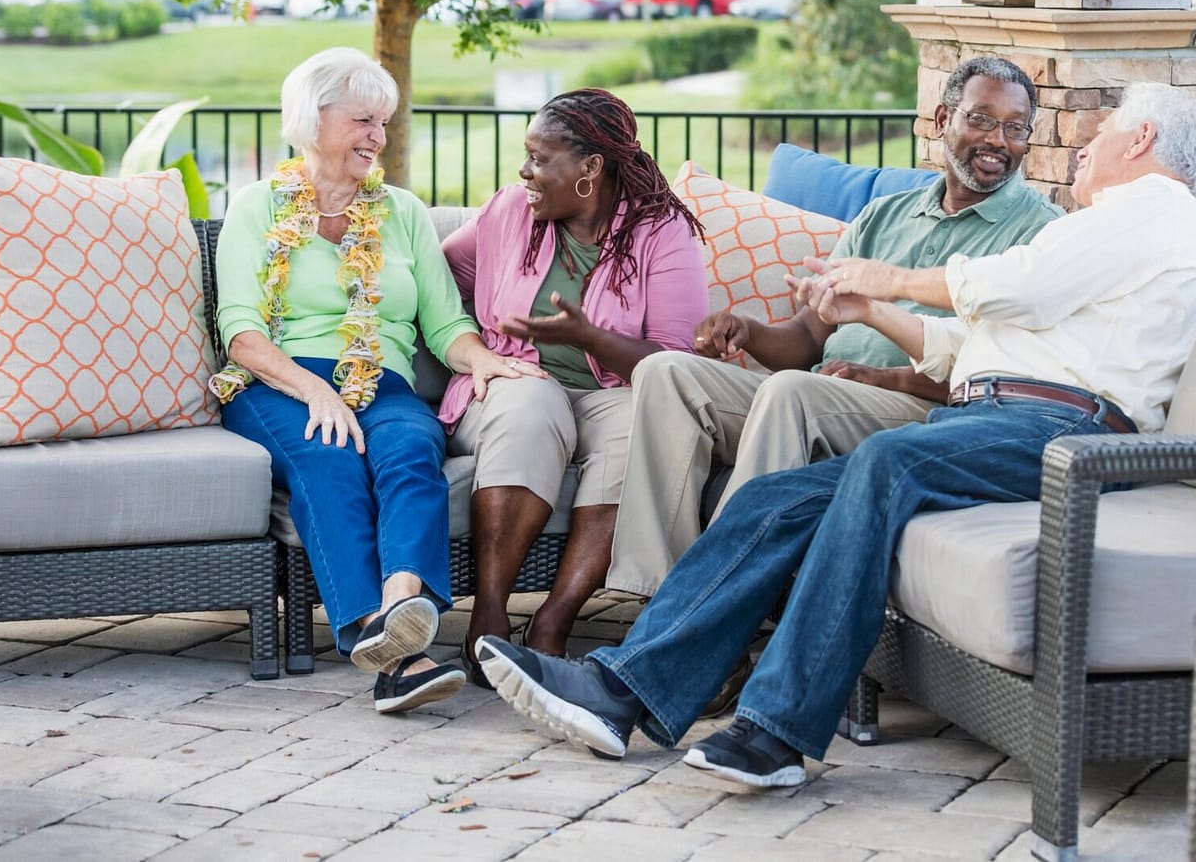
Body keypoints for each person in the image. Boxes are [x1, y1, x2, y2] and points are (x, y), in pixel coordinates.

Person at [476, 82, 1196, 788]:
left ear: (1144, 137)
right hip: (1002, 415)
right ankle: (623, 688)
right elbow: (971, 348)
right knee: (777, 499)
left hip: (1070, 433)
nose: (1083, 149)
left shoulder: (1155, 206)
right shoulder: (1119, 241)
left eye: (1100, 133)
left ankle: (777, 733)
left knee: (886, 463)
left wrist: (889, 279)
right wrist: (869, 309)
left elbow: (1016, 286)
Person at [607, 56, 1063, 602]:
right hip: (822, 390)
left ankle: (719, 604)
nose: (998, 141)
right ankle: (654, 599)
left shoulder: (1042, 235)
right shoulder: (884, 217)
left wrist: (890, 379)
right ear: (942, 119)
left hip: (926, 412)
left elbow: (1013, 374)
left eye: (1016, 128)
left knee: (792, 391)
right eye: (982, 120)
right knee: (668, 374)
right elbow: (806, 340)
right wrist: (747, 331)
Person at [212, 47, 543, 713]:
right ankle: (394, 649)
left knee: (411, 451)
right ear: (313, 118)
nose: (378, 137)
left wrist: (480, 358)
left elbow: (445, 323)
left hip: (382, 379)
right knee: (329, 458)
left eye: (385, 123)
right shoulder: (257, 208)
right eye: (364, 119)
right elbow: (242, 332)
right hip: (280, 380)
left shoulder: (400, 211)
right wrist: (315, 391)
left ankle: (400, 607)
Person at [440, 88, 708, 675]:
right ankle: (489, 614)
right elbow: (439, 281)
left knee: (645, 423)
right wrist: (473, 343)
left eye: (541, 158)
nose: (525, 170)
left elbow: (672, 365)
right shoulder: (510, 210)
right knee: (531, 404)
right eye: (526, 155)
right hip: (514, 379)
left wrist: (588, 337)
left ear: (590, 168)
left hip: (612, 391)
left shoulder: (660, 233)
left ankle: (554, 620)